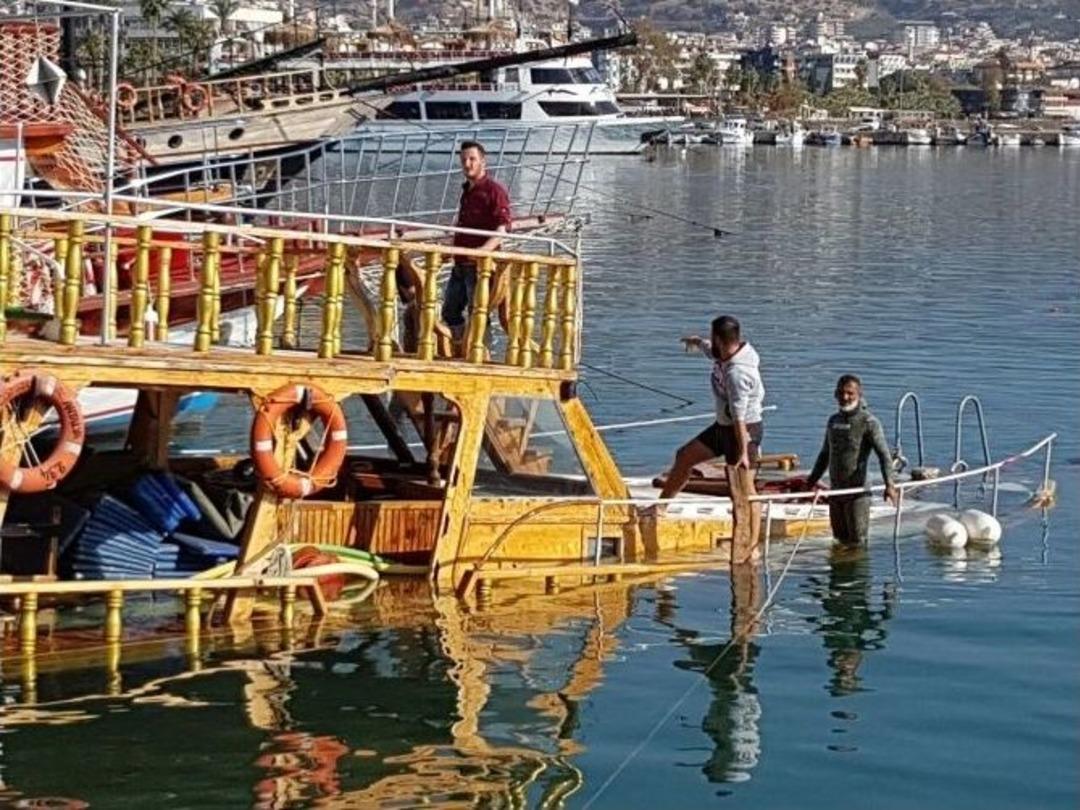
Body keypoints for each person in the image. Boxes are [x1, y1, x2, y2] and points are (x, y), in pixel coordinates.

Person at [660, 315, 766, 500]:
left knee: (741, 490)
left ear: (718, 339)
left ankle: (753, 517)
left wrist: (743, 452)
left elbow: (739, 416)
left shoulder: (737, 374)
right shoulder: (727, 352)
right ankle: (660, 507)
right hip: (723, 427)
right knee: (684, 456)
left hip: (743, 431)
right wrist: (697, 342)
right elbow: (711, 351)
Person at [805, 374, 899, 546]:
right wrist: (810, 482)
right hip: (836, 493)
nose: (845, 397)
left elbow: (884, 455)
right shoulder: (833, 421)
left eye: (850, 393)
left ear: (859, 394)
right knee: (838, 541)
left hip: (858, 493)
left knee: (857, 543)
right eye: (841, 393)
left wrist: (889, 485)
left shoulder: (869, 422)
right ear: (835, 394)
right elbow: (825, 454)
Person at [443, 140, 513, 344]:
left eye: (472, 159)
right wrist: (450, 248)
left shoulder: (494, 190)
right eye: (464, 160)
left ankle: (481, 350)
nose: (467, 164)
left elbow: (503, 228)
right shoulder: (467, 191)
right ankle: (460, 347)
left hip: (480, 266)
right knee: (450, 311)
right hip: (460, 263)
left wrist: (484, 250)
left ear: (483, 161)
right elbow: (463, 225)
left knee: (479, 312)